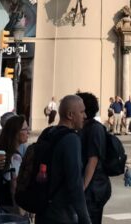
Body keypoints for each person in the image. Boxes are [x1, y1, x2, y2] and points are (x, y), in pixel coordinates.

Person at [38, 94, 92, 224]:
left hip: (42, 208)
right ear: (70, 115)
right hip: (61, 213)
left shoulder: (47, 133)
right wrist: (85, 219)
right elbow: (75, 184)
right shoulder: (71, 139)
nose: (85, 116)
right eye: (82, 112)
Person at [78, 92, 112, 224]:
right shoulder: (85, 127)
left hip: (94, 188)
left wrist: (81, 189)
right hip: (93, 187)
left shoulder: (94, 129)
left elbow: (92, 161)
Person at [0, 114, 29, 214]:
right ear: (16, 133)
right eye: (25, 129)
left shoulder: (1, 154)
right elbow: (14, 185)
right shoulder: (15, 158)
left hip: (2, 208)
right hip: (13, 210)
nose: (28, 132)